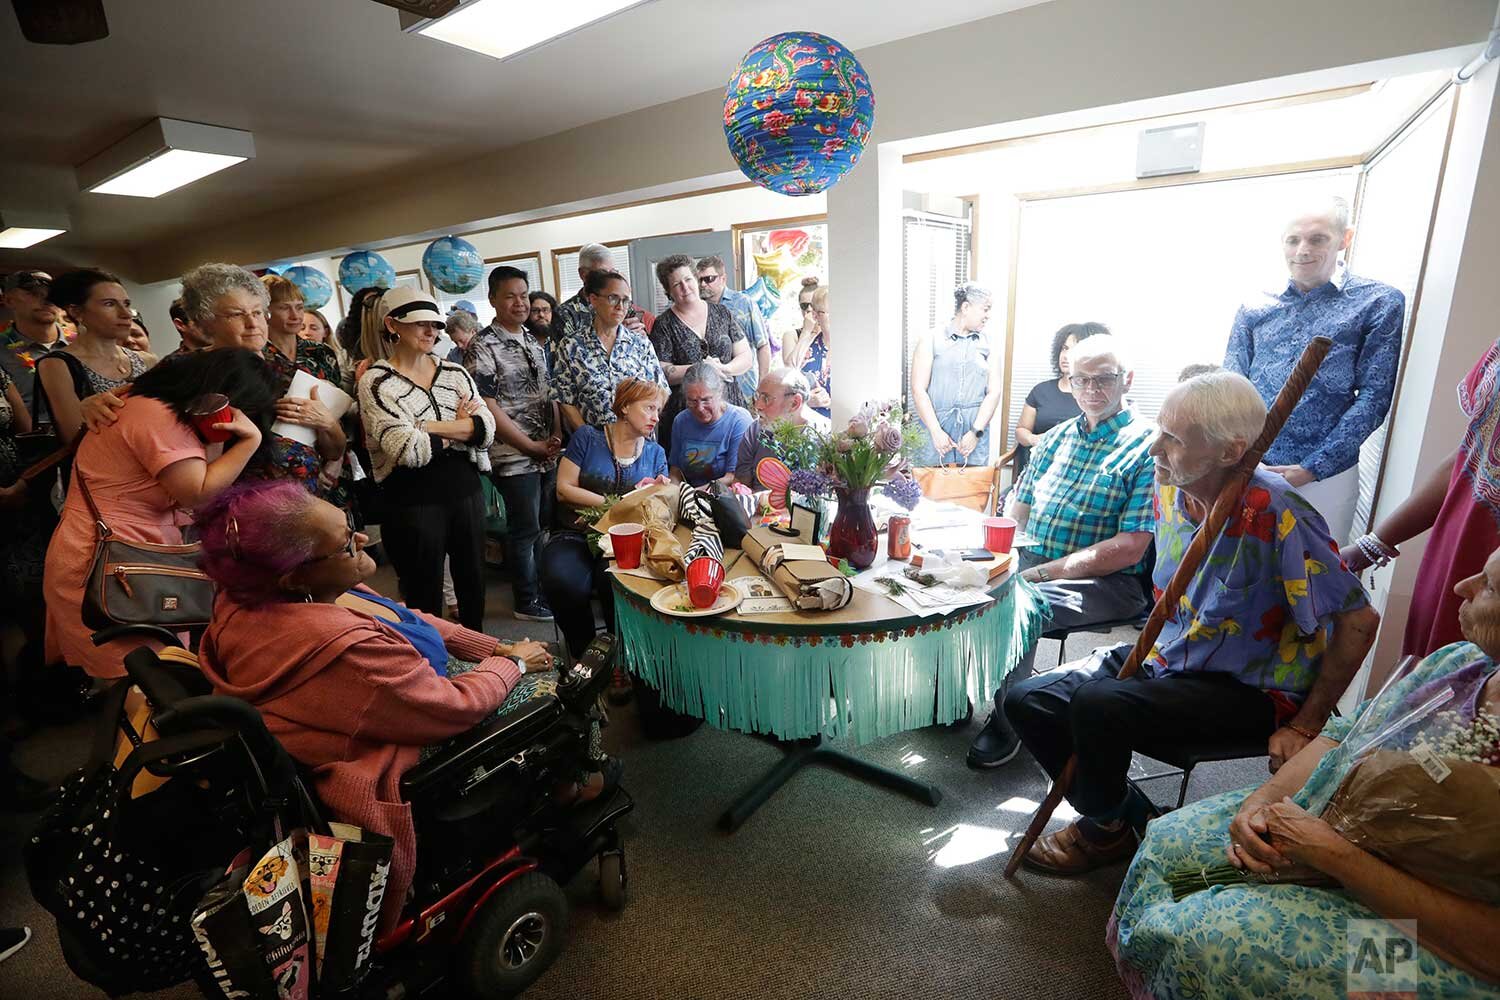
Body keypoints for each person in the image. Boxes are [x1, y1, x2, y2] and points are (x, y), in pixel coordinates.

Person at [1005, 371, 1379, 875]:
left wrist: (1306, 722)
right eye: (1160, 429)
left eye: (1174, 438)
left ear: (1230, 452)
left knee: (1099, 706)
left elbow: (1359, 618)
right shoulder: (1170, 487)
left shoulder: (1277, 511)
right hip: (1170, 655)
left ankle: (1100, 832)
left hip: (1249, 687)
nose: (1154, 446)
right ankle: (1124, 821)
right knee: (1027, 699)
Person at [192, 480, 595, 934]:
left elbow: (405, 618)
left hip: (403, 691)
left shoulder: (270, 593)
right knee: (563, 687)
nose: (362, 540)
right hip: (406, 739)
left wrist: (494, 648)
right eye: (346, 543)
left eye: (352, 525)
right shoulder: (347, 654)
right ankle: (573, 784)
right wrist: (516, 665)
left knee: (528, 664)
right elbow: (454, 705)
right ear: (295, 575)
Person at [1111, 548, 1500, 998]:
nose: (1461, 586)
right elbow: (1342, 736)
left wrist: (1335, 857)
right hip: (1325, 827)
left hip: (1422, 926)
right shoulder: (1457, 662)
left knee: (1212, 937)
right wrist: (1258, 805)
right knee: (1165, 844)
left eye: (1489, 586)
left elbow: (1489, 949)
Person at [967, 334, 1157, 769]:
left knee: (1019, 605)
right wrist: (994, 558)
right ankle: (956, 696)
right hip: (1036, 564)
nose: (1091, 390)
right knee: (958, 587)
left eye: (1103, 379)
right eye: (1080, 379)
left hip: (1109, 582)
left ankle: (1007, 718)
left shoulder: (1149, 446)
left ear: (1127, 379)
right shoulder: (1055, 438)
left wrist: (1039, 574)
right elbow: (1019, 510)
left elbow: (1130, 549)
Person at [42, 348, 275, 679]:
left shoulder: (151, 404)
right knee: (142, 677)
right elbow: (197, 493)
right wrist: (249, 441)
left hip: (124, 551)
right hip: (110, 558)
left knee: (153, 671)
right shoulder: (157, 415)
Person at [1224, 196, 1405, 543]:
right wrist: (1237, 457)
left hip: (1325, 479)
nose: (1302, 250)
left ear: (1344, 239)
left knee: (1314, 582)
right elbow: (1229, 387)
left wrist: (1309, 469)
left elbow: (1374, 397)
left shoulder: (1378, 302)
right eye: (1293, 240)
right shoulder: (1254, 306)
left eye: (1317, 239)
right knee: (1241, 577)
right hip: (1249, 467)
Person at [1343, 332, 1500, 658]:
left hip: (1493, 578)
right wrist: (1372, 544)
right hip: (1455, 551)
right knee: (1425, 681)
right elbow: (1470, 456)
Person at [358, 287, 495, 629]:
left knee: (474, 585)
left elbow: (487, 430)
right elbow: (407, 449)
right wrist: (460, 427)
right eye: (419, 324)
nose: (431, 332)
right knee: (423, 594)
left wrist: (427, 426)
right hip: (411, 499)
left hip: (465, 490)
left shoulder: (455, 373)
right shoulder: (376, 381)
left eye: (435, 324)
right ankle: (432, 671)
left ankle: (478, 658)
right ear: (392, 325)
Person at [541, 378, 669, 658]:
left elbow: (656, 509)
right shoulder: (588, 438)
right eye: (649, 408)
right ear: (624, 406)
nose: (655, 417)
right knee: (563, 581)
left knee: (615, 585)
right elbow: (564, 489)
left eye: (658, 410)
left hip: (627, 542)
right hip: (574, 533)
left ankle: (620, 656)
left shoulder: (655, 453)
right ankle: (586, 653)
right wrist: (617, 504)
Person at [464, 265, 561, 623]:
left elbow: (548, 393)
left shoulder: (533, 341)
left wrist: (556, 435)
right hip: (512, 455)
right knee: (524, 529)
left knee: (542, 525)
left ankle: (539, 589)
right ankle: (525, 600)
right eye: (510, 296)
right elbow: (487, 408)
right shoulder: (483, 346)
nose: (520, 303)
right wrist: (529, 446)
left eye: (524, 295)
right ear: (492, 300)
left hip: (544, 452)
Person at [650, 253, 751, 453]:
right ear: (669, 291)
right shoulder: (663, 324)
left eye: (688, 279)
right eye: (677, 284)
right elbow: (661, 371)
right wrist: (700, 368)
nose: (685, 287)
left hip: (729, 406)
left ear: (696, 279)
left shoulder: (722, 313)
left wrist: (722, 368)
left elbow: (746, 356)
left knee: (738, 468)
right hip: (689, 413)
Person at [36, 269, 149, 446]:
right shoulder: (57, 364)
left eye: (126, 304)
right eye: (109, 304)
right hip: (106, 465)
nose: (125, 314)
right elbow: (74, 438)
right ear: (76, 312)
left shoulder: (147, 360)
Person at [549, 269, 667, 433]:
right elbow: (564, 398)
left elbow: (661, 391)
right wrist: (588, 437)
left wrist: (644, 426)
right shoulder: (571, 346)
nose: (620, 306)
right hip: (594, 442)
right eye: (613, 298)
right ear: (594, 299)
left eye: (625, 300)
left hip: (638, 441)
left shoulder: (641, 344)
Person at [910, 282, 1004, 468]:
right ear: (966, 307)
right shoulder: (931, 339)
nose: (988, 316)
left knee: (971, 491)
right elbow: (918, 389)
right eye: (985, 309)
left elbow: (994, 392)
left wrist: (976, 432)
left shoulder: (989, 343)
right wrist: (936, 432)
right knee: (930, 492)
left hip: (972, 435)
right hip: (934, 432)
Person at [1014, 323, 1096, 481]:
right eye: (1064, 348)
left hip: (1078, 475)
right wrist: (1034, 439)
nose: (1065, 355)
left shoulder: (1094, 397)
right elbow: (1021, 430)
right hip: (1039, 470)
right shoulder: (1041, 391)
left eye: (1073, 350)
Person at [734, 367, 829, 490]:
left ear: (795, 403)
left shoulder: (824, 437)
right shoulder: (755, 430)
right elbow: (742, 486)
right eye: (757, 396)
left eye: (766, 398)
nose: (757, 405)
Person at [696, 254, 770, 405]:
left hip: (744, 389)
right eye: (699, 280)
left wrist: (762, 386)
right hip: (708, 393)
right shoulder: (695, 308)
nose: (703, 284)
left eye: (709, 279)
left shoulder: (743, 303)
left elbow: (762, 345)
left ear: (723, 278)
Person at [668, 362, 753, 486]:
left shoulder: (738, 421)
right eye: (692, 401)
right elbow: (676, 471)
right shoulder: (681, 421)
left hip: (723, 497)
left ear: (719, 392)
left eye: (706, 400)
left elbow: (734, 477)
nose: (700, 408)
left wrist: (694, 494)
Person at [0, 270, 71, 413]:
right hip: (28, 433)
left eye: (53, 295)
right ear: (9, 300)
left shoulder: (82, 343)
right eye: (34, 293)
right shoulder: (1, 350)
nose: (47, 300)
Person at [551, 243, 648, 342]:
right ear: (583, 274)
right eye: (603, 273)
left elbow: (643, 338)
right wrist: (617, 334)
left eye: (613, 272)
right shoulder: (564, 314)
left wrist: (640, 333)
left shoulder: (622, 303)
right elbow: (568, 351)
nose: (609, 278)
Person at [783, 279, 832, 418]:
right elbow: (789, 372)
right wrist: (806, 331)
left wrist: (828, 402)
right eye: (805, 306)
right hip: (808, 423)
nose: (810, 312)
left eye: (814, 307)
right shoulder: (808, 341)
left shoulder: (846, 345)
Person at [299, 306, 349, 378]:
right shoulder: (288, 361)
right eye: (301, 328)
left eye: (314, 328)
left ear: (325, 332)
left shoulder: (339, 359)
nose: (307, 332)